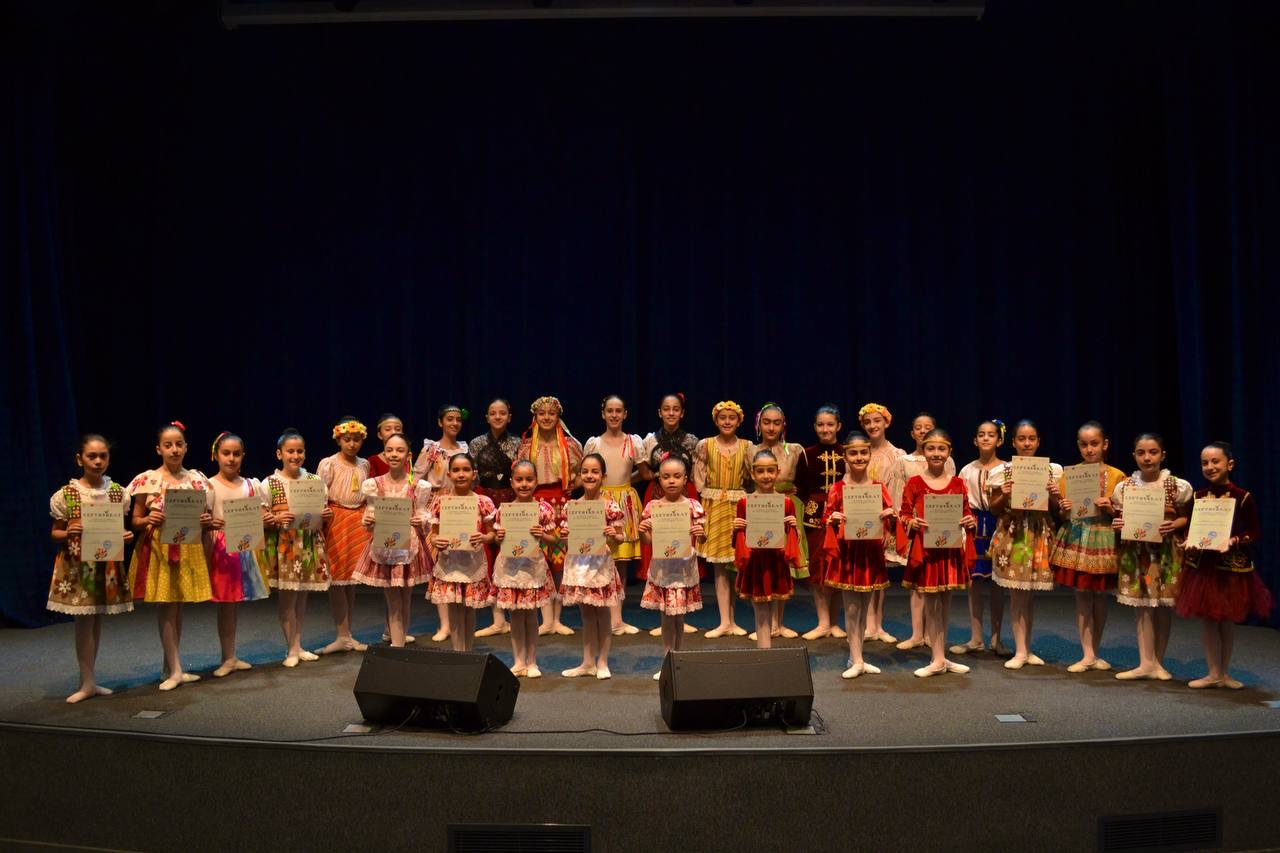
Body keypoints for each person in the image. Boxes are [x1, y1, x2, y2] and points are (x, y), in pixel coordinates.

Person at [1176, 442, 1273, 688]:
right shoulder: (1198, 497)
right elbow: (1192, 529)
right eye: (1204, 463)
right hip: (1204, 567)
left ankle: (1225, 673)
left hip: (1230, 568)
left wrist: (1235, 540)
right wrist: (1187, 540)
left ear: (1229, 464)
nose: (1210, 467)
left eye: (1215, 461)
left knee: (1226, 619)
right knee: (1208, 620)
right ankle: (1213, 673)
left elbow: (1254, 531)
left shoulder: (1242, 497)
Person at [126, 421, 214, 691]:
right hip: (160, 548)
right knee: (166, 606)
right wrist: (148, 519)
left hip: (187, 546)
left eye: (178, 444)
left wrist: (204, 520)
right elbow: (135, 520)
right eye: (168, 445)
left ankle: (171, 667)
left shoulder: (196, 480)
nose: (174, 450)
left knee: (178, 608)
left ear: (186, 447)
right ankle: (175, 669)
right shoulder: (148, 480)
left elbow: (204, 517)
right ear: (159, 449)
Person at [47, 434, 135, 703]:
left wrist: (124, 536)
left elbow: (116, 529)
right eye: (92, 456)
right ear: (80, 459)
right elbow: (55, 533)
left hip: (105, 565)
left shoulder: (117, 492)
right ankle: (86, 682)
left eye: (103, 456)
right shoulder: (68, 494)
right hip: (78, 567)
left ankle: (90, 680)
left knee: (96, 620)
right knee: (84, 623)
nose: (98, 462)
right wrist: (68, 532)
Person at [1107, 433, 1192, 681]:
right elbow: (1121, 518)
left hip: (1165, 552)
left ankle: (1159, 663)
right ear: (1134, 455)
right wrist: (1118, 523)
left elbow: (1185, 517)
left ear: (1162, 455)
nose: (1147, 458)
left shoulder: (1176, 486)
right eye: (1141, 453)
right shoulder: (1125, 487)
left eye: (1153, 452)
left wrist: (1174, 524)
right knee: (1142, 607)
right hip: (1137, 552)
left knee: (1163, 607)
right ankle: (1145, 662)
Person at [897, 428, 977, 678]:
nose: (936, 453)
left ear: (949, 452)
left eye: (941, 449)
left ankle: (941, 656)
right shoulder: (915, 483)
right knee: (931, 604)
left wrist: (970, 521)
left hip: (949, 551)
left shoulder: (958, 484)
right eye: (931, 448)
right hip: (927, 553)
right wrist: (912, 522)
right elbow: (903, 514)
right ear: (923, 451)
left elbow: (966, 512)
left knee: (945, 604)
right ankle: (938, 658)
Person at [1050, 420, 1127, 673]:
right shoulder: (1071, 474)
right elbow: (1063, 514)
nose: (1089, 449)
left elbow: (1125, 514)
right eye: (1084, 445)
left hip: (1103, 537)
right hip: (1079, 536)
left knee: (1100, 596)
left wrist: (1111, 508)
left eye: (1094, 444)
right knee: (1082, 594)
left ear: (1105, 444)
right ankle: (1087, 654)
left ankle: (1096, 650)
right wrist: (1063, 508)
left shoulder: (1117, 476)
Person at [822, 431, 896, 678]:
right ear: (845, 457)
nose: (859, 457)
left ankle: (858, 657)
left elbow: (890, 519)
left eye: (864, 452)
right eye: (853, 453)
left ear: (870, 454)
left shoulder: (878, 487)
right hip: (848, 555)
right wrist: (833, 519)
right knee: (852, 609)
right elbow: (826, 518)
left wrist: (889, 517)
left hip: (870, 554)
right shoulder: (838, 488)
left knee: (865, 609)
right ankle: (855, 658)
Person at [352, 433, 431, 647]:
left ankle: (399, 643)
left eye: (399, 450)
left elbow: (423, 513)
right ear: (384, 454)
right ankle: (397, 645)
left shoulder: (418, 486)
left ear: (408, 456)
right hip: (386, 548)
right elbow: (370, 514)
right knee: (393, 599)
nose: (394, 454)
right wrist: (369, 520)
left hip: (409, 548)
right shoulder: (374, 484)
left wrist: (421, 520)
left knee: (405, 599)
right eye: (390, 450)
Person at [262, 429, 332, 667]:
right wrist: (274, 518)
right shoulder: (270, 483)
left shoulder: (314, 482)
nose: (295, 455)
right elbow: (262, 516)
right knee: (288, 599)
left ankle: (298, 644)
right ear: (279, 454)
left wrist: (326, 515)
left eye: (299, 451)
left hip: (308, 543)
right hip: (285, 546)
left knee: (301, 597)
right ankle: (291, 649)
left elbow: (322, 514)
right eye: (290, 451)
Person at [206, 432, 271, 677]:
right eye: (226, 453)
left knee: (233, 605)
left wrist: (266, 519)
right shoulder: (208, 486)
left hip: (243, 547)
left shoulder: (250, 485)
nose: (231, 459)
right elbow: (202, 518)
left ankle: (231, 656)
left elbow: (259, 516)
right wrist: (208, 523)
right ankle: (227, 657)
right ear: (216, 455)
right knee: (225, 605)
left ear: (243, 456)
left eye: (236, 454)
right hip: (221, 550)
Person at [517, 395, 584, 636]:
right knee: (538, 560)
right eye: (542, 413)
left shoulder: (570, 445)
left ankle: (556, 618)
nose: (546, 417)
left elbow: (583, 472)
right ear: (535, 417)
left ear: (558, 417)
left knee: (559, 563)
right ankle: (545, 619)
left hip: (561, 504)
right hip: (535, 505)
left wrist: (571, 486)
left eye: (551, 413)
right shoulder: (526, 446)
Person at [639, 456, 707, 680]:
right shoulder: (654, 507)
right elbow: (648, 541)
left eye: (677, 476)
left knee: (679, 619)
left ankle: (679, 661)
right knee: (666, 620)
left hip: (684, 570)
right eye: (666, 476)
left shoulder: (693, 506)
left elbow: (702, 538)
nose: (671, 481)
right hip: (663, 571)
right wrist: (643, 531)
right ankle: (668, 663)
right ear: (659, 479)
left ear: (685, 479)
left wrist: (701, 534)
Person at [559, 453, 626, 679]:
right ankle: (588, 662)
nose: (589, 476)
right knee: (587, 615)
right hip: (579, 566)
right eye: (585, 472)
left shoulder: (610, 506)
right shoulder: (572, 506)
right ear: (579, 476)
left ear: (603, 476)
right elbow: (567, 541)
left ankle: (603, 661)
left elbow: (621, 538)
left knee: (603, 615)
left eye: (595, 472)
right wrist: (565, 536)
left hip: (600, 566)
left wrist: (613, 534)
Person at [582, 396, 644, 637]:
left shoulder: (633, 442)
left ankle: (617, 619)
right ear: (603, 413)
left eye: (619, 411)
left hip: (625, 502)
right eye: (610, 411)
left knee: (621, 563)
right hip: (600, 502)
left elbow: (645, 472)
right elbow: (587, 473)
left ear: (625, 414)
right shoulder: (594, 444)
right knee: (601, 560)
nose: (614, 415)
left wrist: (625, 485)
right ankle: (602, 616)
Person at [492, 460, 558, 677]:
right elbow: (497, 540)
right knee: (515, 616)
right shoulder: (504, 510)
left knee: (530, 615)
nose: (524, 484)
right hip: (510, 568)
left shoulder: (543, 509)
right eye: (519, 480)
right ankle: (519, 661)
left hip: (531, 568)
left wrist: (543, 535)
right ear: (512, 482)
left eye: (529, 479)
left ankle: (532, 661)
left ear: (536, 482)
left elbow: (554, 540)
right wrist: (499, 536)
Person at [427, 453, 497, 653]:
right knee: (454, 610)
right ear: (449, 474)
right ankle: (458, 653)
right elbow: (434, 534)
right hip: (449, 564)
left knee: (469, 610)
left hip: (472, 563)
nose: (461, 474)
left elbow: (492, 534)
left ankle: (468, 652)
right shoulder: (441, 502)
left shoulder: (483, 501)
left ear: (474, 474)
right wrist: (436, 541)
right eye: (456, 470)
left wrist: (484, 538)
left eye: (466, 470)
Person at [694, 400, 751, 639]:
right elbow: (699, 477)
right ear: (716, 420)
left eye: (732, 418)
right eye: (723, 418)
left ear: (739, 421)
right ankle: (724, 621)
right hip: (715, 506)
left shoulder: (746, 446)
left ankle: (732, 620)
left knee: (735, 564)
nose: (727, 422)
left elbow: (751, 476)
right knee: (719, 567)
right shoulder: (706, 445)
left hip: (737, 507)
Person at [732, 450, 800, 649]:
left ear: (778, 472)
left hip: (776, 561)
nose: (766, 476)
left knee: (772, 609)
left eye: (770, 471)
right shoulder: (744, 502)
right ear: (753, 474)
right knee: (760, 611)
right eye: (760, 471)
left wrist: (792, 527)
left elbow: (792, 540)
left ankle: (767, 652)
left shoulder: (786, 503)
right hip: (755, 562)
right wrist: (736, 529)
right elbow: (737, 542)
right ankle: (764, 651)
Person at [316, 417, 371, 654]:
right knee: (337, 579)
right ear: (339, 440)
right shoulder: (329, 463)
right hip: (336, 520)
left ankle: (348, 634)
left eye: (356, 440)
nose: (352, 444)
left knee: (351, 580)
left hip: (357, 521)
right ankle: (341, 634)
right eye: (347, 439)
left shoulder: (364, 465)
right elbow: (319, 493)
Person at [471, 398, 520, 639]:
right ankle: (498, 618)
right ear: (487, 417)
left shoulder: (518, 443)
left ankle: (516, 614)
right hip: (486, 500)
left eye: (502, 413)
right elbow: (473, 477)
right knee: (489, 558)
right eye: (493, 413)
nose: (498, 417)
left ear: (509, 417)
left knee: (511, 556)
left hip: (510, 502)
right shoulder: (477, 443)